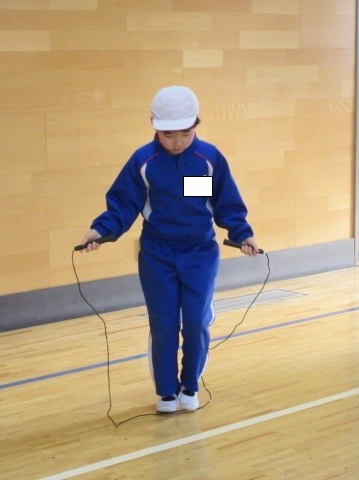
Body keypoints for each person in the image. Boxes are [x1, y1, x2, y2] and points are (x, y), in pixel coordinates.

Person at [79, 85, 260, 413]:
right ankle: (166, 392)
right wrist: (101, 229)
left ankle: (190, 386)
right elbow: (123, 204)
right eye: (168, 135)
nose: (177, 142)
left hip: (200, 254)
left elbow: (226, 204)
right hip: (157, 256)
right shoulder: (143, 161)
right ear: (154, 125)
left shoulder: (209, 160)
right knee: (163, 323)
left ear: (196, 125)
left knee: (195, 322)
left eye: (185, 134)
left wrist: (243, 233)